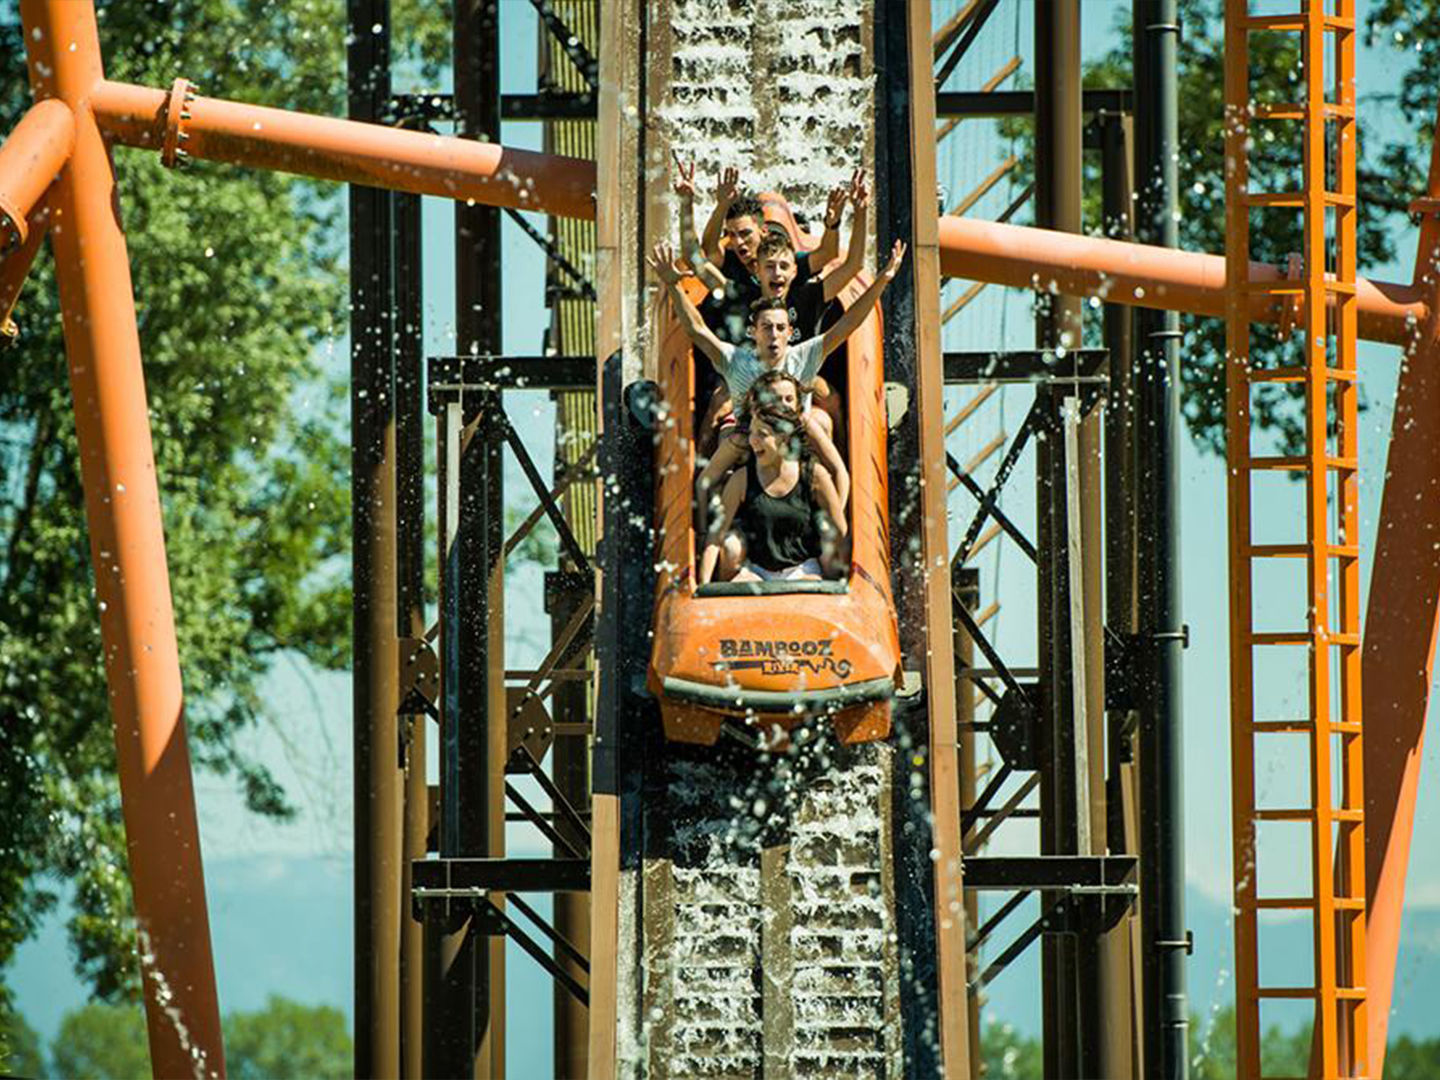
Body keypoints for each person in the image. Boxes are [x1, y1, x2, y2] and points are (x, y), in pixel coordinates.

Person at [647, 238, 906, 519]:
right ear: (753, 332)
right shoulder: (738, 361)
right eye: (766, 328)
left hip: (796, 435)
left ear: (789, 332)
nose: (773, 335)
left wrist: (883, 280)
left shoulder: (803, 356)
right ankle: (708, 526)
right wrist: (672, 285)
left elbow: (849, 323)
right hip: (750, 434)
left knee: (824, 439)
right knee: (723, 450)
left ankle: (836, 522)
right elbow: (697, 330)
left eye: (779, 328)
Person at [671, 157, 850, 344]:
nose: (739, 243)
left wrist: (832, 224)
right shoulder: (737, 283)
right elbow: (699, 255)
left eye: (745, 234)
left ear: (763, 231)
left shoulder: (785, 263)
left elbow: (829, 253)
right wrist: (691, 203)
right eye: (732, 235)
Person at [698, 401, 847, 584]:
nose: (753, 440)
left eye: (762, 434)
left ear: (784, 438)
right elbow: (716, 536)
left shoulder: (815, 475)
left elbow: (840, 531)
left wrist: (845, 581)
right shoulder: (742, 479)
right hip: (756, 572)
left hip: (802, 570)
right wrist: (702, 585)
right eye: (752, 432)